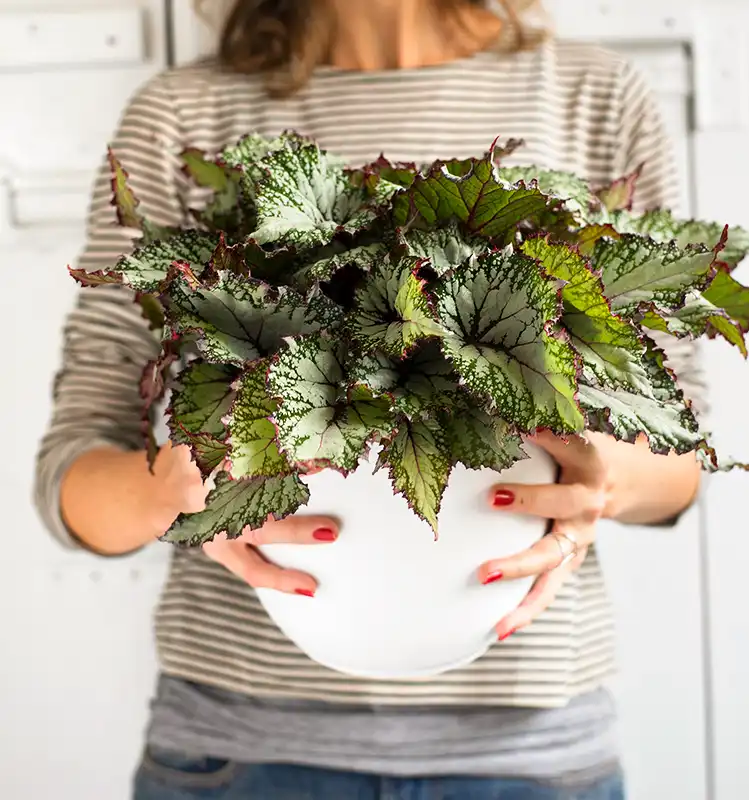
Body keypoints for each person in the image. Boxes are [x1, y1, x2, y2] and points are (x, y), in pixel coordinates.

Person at [35, 1, 708, 798]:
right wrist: (182, 494)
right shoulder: (184, 112)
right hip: (236, 751)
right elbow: (70, 478)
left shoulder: (596, 95)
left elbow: (681, 456)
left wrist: (603, 481)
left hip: (529, 752)